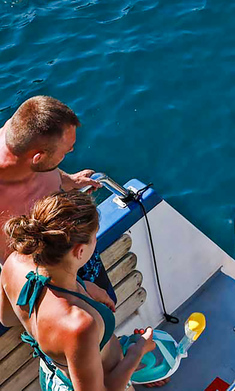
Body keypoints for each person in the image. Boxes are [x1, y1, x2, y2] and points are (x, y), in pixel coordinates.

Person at [0, 191, 159, 390]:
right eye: (94, 238)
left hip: (55, 376)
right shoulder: (79, 325)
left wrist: (83, 288)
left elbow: (8, 318)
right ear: (80, 251)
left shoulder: (13, 263)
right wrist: (138, 351)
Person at [0, 96, 115, 307]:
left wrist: (69, 180)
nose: (71, 152)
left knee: (109, 303)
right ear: (38, 156)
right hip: (53, 290)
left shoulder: (18, 135)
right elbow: (17, 266)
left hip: (78, 252)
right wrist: (81, 288)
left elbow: (45, 167)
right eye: (66, 150)